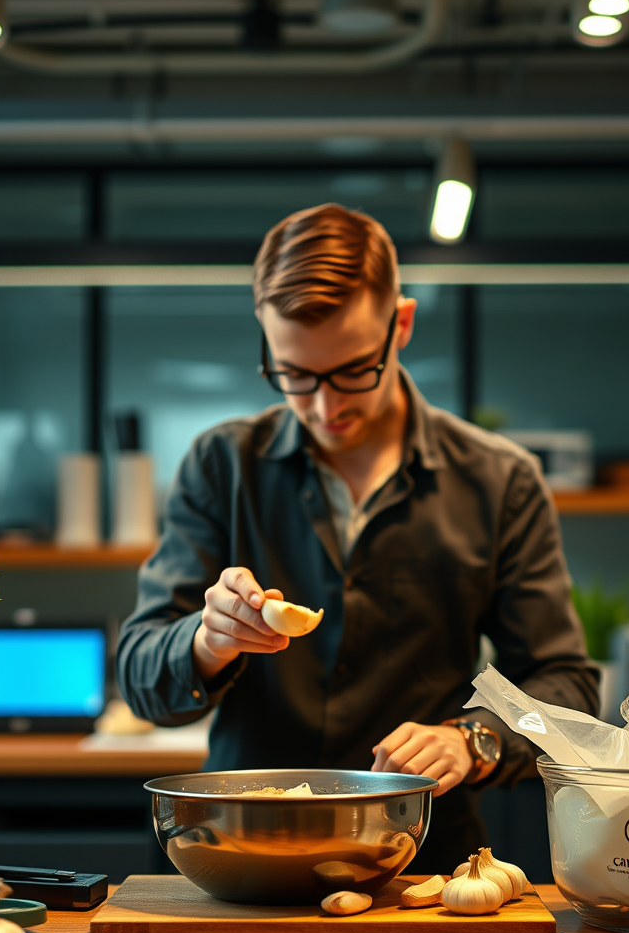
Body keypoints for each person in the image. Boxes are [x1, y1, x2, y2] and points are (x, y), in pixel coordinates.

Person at [117, 203, 599, 873]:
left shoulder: (499, 481)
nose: (324, 405)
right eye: (294, 375)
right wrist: (207, 642)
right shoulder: (220, 465)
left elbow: (568, 685)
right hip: (236, 858)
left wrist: (474, 739)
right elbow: (141, 674)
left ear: (399, 325)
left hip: (425, 862)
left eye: (351, 370)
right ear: (264, 335)